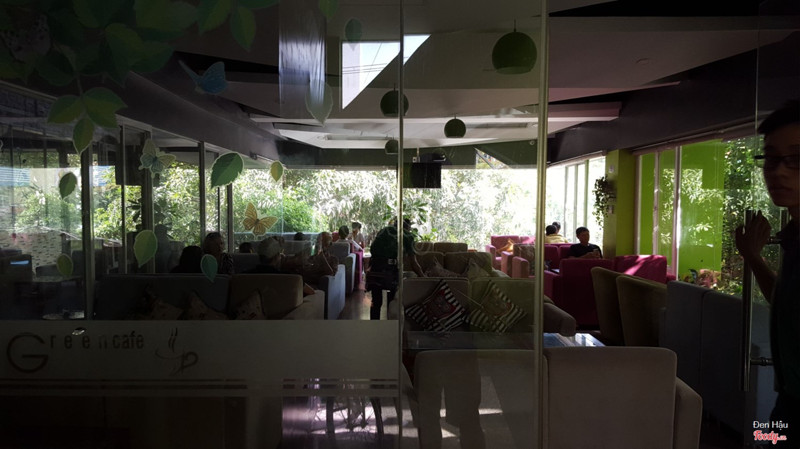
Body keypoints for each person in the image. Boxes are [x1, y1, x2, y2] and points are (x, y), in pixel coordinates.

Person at [735, 100, 799, 445]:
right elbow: (786, 304)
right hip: (786, 404)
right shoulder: (793, 237)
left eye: (796, 158)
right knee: (770, 437)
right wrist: (753, 257)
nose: (779, 172)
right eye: (771, 159)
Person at [367, 219, 424, 320]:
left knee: (376, 301)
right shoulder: (407, 236)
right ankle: (391, 326)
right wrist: (423, 277)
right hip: (390, 271)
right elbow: (413, 263)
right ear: (407, 227)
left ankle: (374, 326)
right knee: (392, 301)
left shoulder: (384, 230)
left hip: (375, 268)